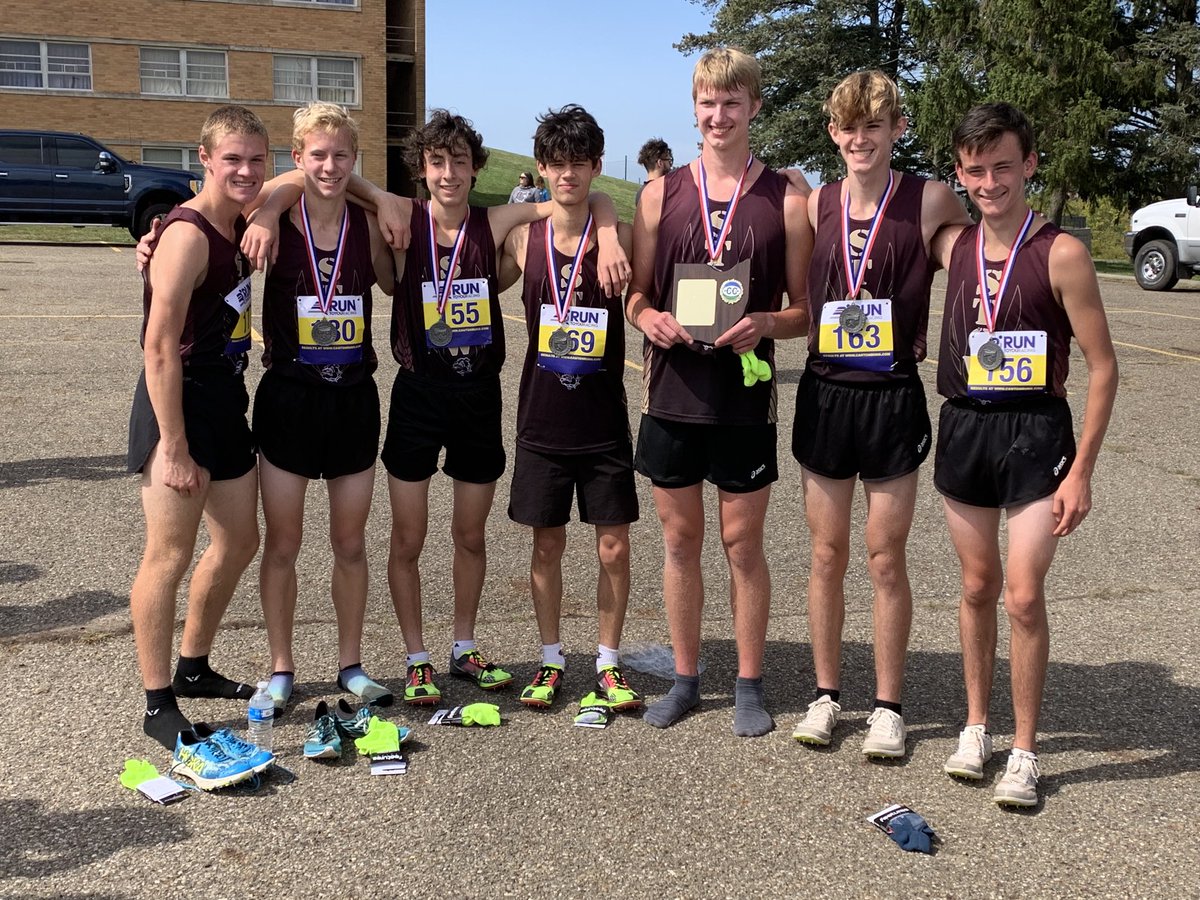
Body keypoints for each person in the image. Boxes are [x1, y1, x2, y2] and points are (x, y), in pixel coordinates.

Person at [372, 110, 628, 706]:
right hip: (417, 395)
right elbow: (315, 181)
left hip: (478, 397)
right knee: (408, 538)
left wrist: (611, 230)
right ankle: (416, 657)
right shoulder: (399, 222)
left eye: (460, 162)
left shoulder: (494, 223)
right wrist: (377, 195)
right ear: (422, 169)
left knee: (469, 533)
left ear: (477, 167)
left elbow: (581, 202)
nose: (449, 174)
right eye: (437, 162)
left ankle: (463, 645)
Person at [930, 102, 1118, 806]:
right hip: (966, 428)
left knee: (1023, 593)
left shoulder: (1060, 252)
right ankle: (976, 725)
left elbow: (1103, 366)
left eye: (1003, 166)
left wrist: (1083, 471)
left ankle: (1026, 748)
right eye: (975, 169)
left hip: (1038, 435)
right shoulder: (952, 246)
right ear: (960, 173)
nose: (989, 181)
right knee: (977, 587)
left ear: (1029, 164)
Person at [625, 47, 813, 736]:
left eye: (733, 102)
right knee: (679, 541)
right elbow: (635, 295)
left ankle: (749, 684)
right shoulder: (660, 193)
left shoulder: (785, 197)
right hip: (671, 391)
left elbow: (806, 308)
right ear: (694, 107)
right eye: (709, 101)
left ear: (754, 107)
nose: (719, 114)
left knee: (742, 542)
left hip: (742, 396)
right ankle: (683, 679)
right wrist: (650, 317)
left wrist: (765, 321)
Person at [789, 71, 970, 758]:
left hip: (892, 396)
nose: (860, 137)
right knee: (827, 553)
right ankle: (826, 695)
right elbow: (802, 297)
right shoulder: (816, 204)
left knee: (884, 557)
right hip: (827, 392)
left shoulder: (929, 199)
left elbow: (981, 261)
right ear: (833, 133)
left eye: (875, 124)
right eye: (848, 125)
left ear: (897, 128)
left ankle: (889, 707)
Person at [245, 102, 399, 713]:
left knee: (350, 543)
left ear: (354, 159)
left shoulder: (367, 223)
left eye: (341, 155)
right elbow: (204, 222)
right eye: (317, 155)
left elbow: (396, 279)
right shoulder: (272, 219)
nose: (330, 166)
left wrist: (385, 203)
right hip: (289, 399)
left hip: (354, 401)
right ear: (297, 158)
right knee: (283, 544)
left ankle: (350, 664)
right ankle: (281, 667)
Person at [127, 105, 267, 751]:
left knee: (239, 540)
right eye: (231, 158)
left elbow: (314, 181)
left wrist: (263, 206)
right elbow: (157, 347)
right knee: (168, 556)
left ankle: (194, 666)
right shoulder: (184, 235)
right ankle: (158, 702)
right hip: (175, 405)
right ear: (204, 159)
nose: (244, 170)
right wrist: (173, 447)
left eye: (256, 159)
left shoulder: (242, 214)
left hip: (224, 399)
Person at [498, 104, 640, 711]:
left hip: (604, 421)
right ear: (541, 169)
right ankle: (552, 657)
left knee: (614, 547)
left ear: (597, 167)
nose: (568, 176)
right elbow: (464, 251)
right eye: (557, 165)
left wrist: (607, 227)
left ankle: (607, 661)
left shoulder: (620, 238)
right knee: (546, 545)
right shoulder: (524, 240)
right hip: (542, 421)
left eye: (579, 165)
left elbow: (649, 294)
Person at [635, 138, 673, 206]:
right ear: (660, 163)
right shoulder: (665, 192)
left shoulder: (640, 193)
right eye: (668, 160)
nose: (670, 165)